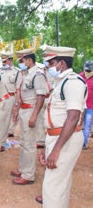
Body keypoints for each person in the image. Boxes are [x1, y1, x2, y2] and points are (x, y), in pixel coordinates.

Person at [36, 45, 87, 207]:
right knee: (59, 184)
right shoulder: (61, 82)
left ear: (62, 64)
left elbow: (73, 118)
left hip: (65, 139)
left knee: (52, 187)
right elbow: (55, 118)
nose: (47, 67)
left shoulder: (73, 82)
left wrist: (56, 150)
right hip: (57, 137)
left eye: (50, 63)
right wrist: (48, 145)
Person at [11, 48, 48, 185]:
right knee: (24, 142)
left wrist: (34, 115)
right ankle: (23, 169)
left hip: (31, 111)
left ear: (30, 60)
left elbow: (41, 96)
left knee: (29, 144)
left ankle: (28, 174)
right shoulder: (25, 73)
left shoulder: (37, 74)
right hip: (23, 110)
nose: (20, 63)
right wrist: (16, 107)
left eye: (22, 60)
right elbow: (20, 93)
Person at [0, 52, 21, 143]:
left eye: (5, 61)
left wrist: (16, 103)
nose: (3, 63)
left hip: (10, 98)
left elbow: (18, 89)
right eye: (2, 61)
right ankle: (0, 139)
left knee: (8, 119)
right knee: (0, 119)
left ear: (10, 60)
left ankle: (3, 141)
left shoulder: (17, 72)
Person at [79, 60, 93, 150]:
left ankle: (84, 143)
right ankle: (76, 142)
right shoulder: (79, 77)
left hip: (90, 106)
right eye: (87, 70)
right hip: (79, 105)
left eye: (89, 71)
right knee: (77, 124)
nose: (88, 72)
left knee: (87, 125)